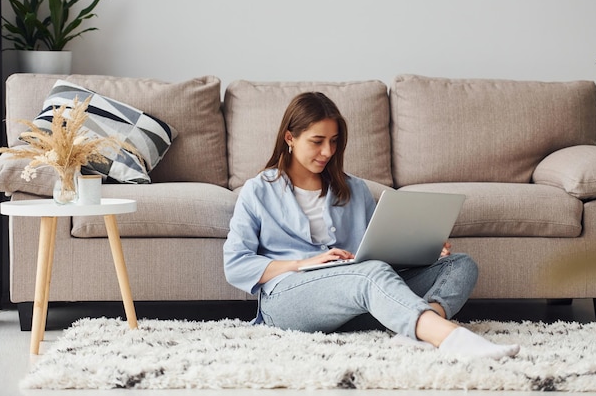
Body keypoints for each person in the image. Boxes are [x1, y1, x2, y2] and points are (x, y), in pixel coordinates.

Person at [223, 92, 520, 359]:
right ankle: (450, 339)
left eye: (334, 141)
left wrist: (423, 249)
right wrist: (303, 263)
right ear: (290, 138)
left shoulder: (353, 189)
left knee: (460, 264)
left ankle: (419, 331)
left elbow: (374, 253)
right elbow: (236, 264)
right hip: (287, 301)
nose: (327, 151)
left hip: (355, 298)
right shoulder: (258, 190)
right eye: (317, 141)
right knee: (369, 275)